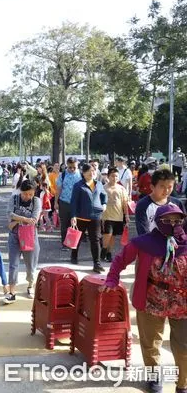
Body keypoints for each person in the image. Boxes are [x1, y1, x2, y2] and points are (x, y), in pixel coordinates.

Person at [103, 204, 187, 393]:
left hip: (182, 303)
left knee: (184, 346)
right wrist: (112, 279)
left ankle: (182, 384)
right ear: (158, 222)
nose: (173, 224)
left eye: (177, 220)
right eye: (167, 221)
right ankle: (154, 377)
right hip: (152, 300)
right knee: (151, 343)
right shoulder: (144, 243)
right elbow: (120, 259)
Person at [5, 180, 42, 303]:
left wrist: (17, 220)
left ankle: (31, 285)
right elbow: (9, 213)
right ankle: (12, 290)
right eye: (25, 194)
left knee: (31, 264)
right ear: (20, 191)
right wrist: (24, 219)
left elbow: (34, 219)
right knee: (13, 264)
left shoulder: (36, 201)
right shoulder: (14, 199)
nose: (27, 197)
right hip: (14, 236)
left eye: (30, 194)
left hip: (30, 236)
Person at [69, 163, 107, 273]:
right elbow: (74, 202)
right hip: (81, 216)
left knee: (95, 239)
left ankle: (97, 263)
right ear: (84, 173)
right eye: (89, 171)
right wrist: (73, 216)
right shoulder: (78, 185)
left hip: (96, 216)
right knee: (78, 238)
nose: (92, 173)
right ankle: (74, 255)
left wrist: (104, 204)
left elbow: (104, 195)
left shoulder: (99, 184)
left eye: (94, 171)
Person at [135, 168, 186, 236]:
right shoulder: (143, 204)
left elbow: (184, 226)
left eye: (170, 187)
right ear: (152, 187)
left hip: (175, 244)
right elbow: (142, 231)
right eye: (162, 187)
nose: (166, 190)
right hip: (152, 244)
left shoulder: (177, 203)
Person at [101, 168, 130, 263]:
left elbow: (124, 203)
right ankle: (103, 251)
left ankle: (109, 253)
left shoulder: (121, 188)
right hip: (106, 216)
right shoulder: (103, 187)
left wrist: (126, 215)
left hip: (118, 217)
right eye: (112, 176)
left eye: (116, 176)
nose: (114, 178)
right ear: (108, 176)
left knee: (113, 236)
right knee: (107, 234)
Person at [55, 157, 81, 250]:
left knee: (75, 223)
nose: (72, 169)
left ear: (77, 165)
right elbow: (58, 189)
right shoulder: (62, 175)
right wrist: (56, 202)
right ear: (67, 165)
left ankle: (74, 242)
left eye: (74, 167)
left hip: (77, 203)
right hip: (64, 202)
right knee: (64, 224)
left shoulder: (81, 175)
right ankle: (64, 244)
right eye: (70, 167)